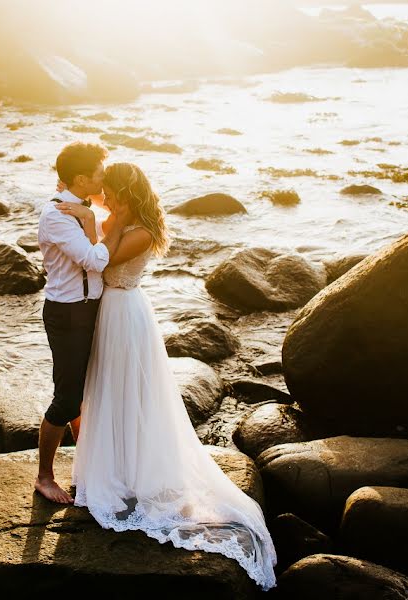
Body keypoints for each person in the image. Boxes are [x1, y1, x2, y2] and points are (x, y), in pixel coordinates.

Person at [55, 162, 278, 590]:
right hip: (108, 314)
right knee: (105, 391)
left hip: (126, 314)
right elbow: (93, 251)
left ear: (122, 191)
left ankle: (137, 471)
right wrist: (89, 213)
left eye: (108, 189)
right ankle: (114, 464)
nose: (101, 193)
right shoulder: (115, 220)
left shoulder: (139, 229)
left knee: (131, 393)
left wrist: (96, 221)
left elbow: (103, 264)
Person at [34, 142, 128, 504]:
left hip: (91, 308)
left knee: (88, 391)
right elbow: (94, 260)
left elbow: (129, 201)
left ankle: (86, 466)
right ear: (80, 178)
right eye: (100, 174)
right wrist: (100, 225)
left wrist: (94, 216)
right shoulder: (57, 215)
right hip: (69, 313)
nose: (104, 179)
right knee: (68, 397)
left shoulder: (84, 203)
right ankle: (44, 477)